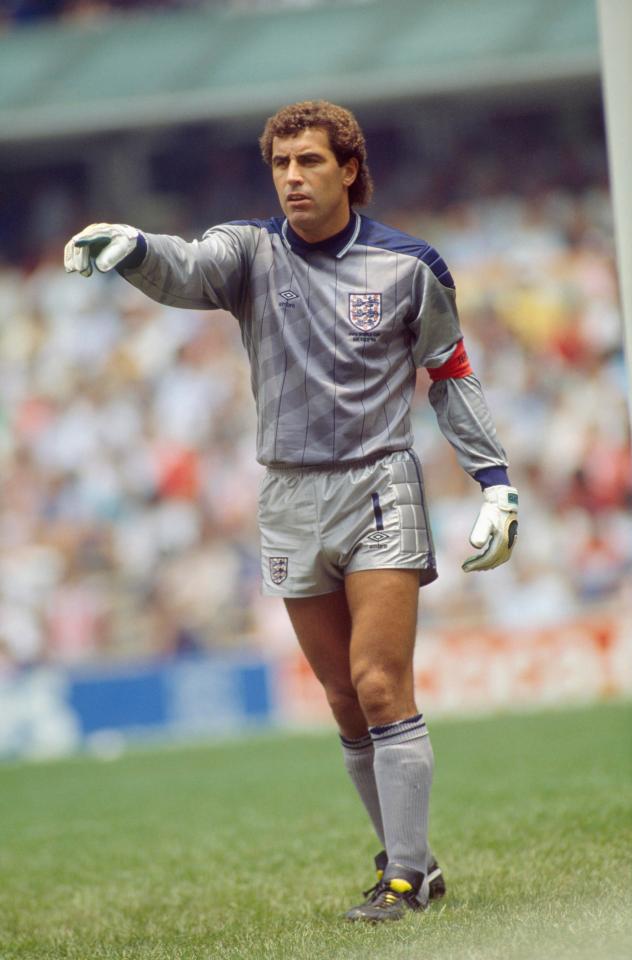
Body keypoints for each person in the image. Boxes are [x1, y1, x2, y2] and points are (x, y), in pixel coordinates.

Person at [64, 100, 518, 923]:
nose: (292, 179)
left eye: (308, 162)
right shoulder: (249, 251)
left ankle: (406, 882)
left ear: (349, 169)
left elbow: (450, 374)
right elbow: (187, 267)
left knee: (380, 683)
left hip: (378, 483)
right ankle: (411, 858)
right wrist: (134, 247)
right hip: (288, 495)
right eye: (280, 164)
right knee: (345, 700)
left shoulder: (411, 266)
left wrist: (495, 481)